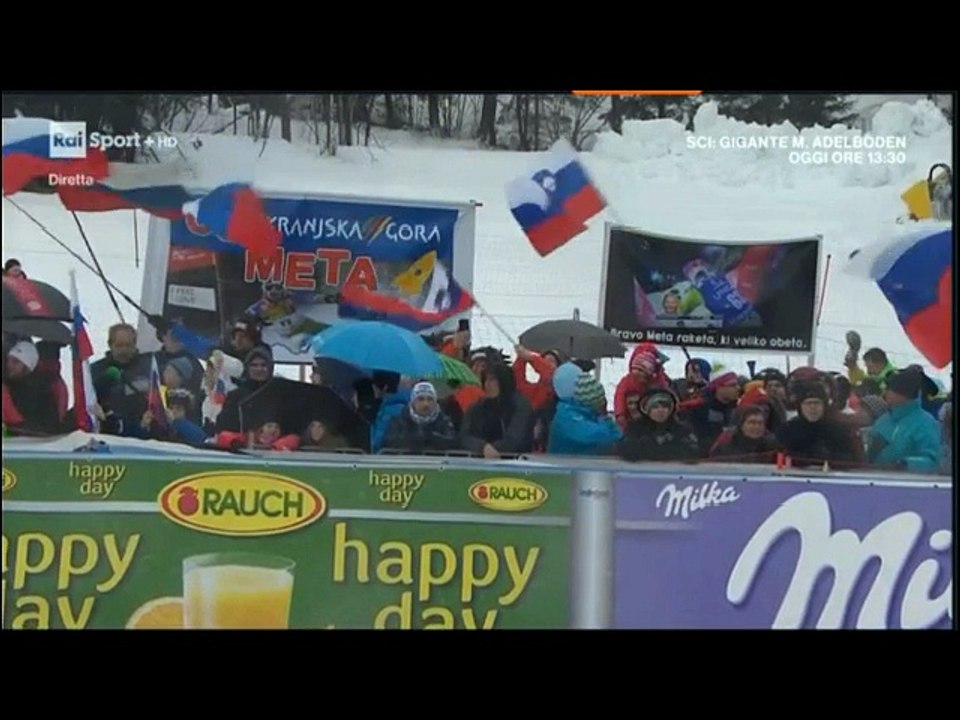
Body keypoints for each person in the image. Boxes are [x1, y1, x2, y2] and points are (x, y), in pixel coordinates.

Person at [867, 369, 941, 473]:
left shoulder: (926, 423)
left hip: (907, 480)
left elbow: (933, 460)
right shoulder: (883, 420)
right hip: (870, 477)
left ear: (903, 394)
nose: (884, 394)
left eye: (889, 389)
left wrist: (905, 464)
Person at [776, 382, 862, 468]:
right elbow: (779, 456)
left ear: (824, 406)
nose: (813, 407)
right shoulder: (788, 429)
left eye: (817, 403)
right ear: (800, 406)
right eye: (808, 403)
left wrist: (830, 456)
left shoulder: (838, 430)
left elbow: (850, 458)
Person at [460, 362, 534, 458]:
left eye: (492, 380)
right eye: (485, 380)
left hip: (517, 461)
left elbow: (516, 437)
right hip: (480, 459)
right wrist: (482, 447)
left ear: (503, 381)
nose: (487, 384)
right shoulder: (477, 407)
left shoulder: (520, 406)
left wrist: (495, 449)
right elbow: (464, 436)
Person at [90, 324, 154, 432]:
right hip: (108, 432)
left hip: (144, 432)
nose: (124, 350)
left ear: (135, 344)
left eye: (128, 345)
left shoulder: (149, 367)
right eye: (119, 345)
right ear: (110, 345)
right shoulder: (96, 370)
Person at [547, 371, 622, 456]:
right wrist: (603, 416)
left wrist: (605, 416)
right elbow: (607, 437)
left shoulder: (589, 416)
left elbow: (619, 437)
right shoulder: (568, 418)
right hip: (562, 464)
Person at [619, 388, 699, 463]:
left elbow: (693, 450)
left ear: (671, 409)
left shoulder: (683, 429)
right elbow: (625, 449)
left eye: (665, 407)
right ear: (646, 410)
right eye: (655, 407)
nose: (660, 410)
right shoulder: (635, 429)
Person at [2, 340, 63, 435]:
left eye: (15, 362)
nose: (10, 365)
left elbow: (24, 424)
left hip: (33, 440)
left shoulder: (39, 392)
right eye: (9, 360)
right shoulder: (10, 384)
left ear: (27, 367)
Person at [383, 381, 458, 455]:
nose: (426, 404)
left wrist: (434, 439)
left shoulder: (444, 422)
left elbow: (453, 443)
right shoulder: (398, 421)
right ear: (413, 401)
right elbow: (389, 442)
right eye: (421, 399)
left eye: (430, 399)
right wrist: (413, 440)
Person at [215, 347, 276, 434]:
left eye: (264, 365)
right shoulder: (235, 396)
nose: (259, 369)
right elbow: (223, 427)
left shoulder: (278, 395)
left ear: (270, 368)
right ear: (247, 368)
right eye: (254, 365)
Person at [678, 371, 741, 456]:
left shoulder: (737, 408)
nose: (738, 388)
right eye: (732, 385)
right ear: (718, 387)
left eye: (737, 384)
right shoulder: (699, 408)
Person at [614, 343, 670, 428]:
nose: (639, 378)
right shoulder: (627, 381)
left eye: (642, 376)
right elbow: (619, 397)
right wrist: (620, 414)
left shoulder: (658, 380)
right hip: (631, 420)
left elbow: (666, 396)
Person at [710, 406, 781, 463]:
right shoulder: (725, 448)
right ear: (741, 426)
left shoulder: (773, 447)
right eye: (752, 422)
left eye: (760, 423)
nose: (757, 427)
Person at [370, 372, 411, 454]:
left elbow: (378, 441)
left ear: (385, 388)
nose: (373, 388)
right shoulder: (403, 405)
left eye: (375, 385)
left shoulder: (389, 411)